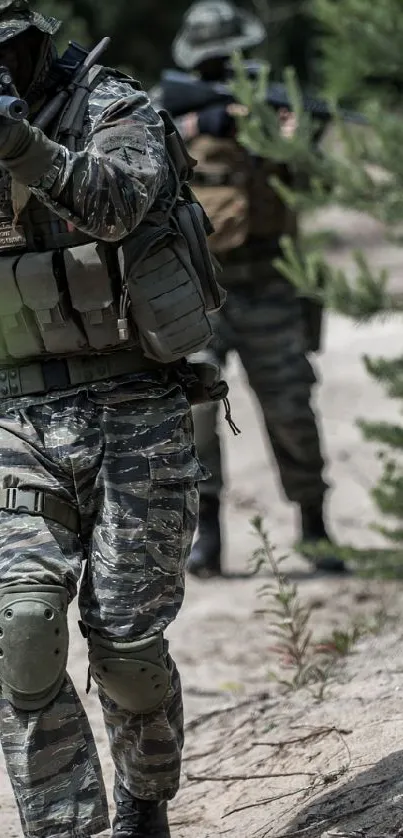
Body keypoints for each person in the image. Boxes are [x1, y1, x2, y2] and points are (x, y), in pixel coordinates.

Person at [0, 1, 227, 836]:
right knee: (21, 631)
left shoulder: (114, 106)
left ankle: (145, 800)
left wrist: (19, 144)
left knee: (128, 649)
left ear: (30, 43)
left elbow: (118, 205)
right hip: (13, 416)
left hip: (135, 404)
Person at [156, 0, 345, 578]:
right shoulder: (163, 113)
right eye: (214, 63)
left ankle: (313, 527)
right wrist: (197, 127)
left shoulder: (275, 106)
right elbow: (134, 177)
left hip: (271, 285)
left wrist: (289, 137)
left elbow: (320, 180)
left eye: (233, 59)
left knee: (291, 409)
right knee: (196, 417)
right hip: (197, 290)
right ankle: (207, 533)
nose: (225, 70)